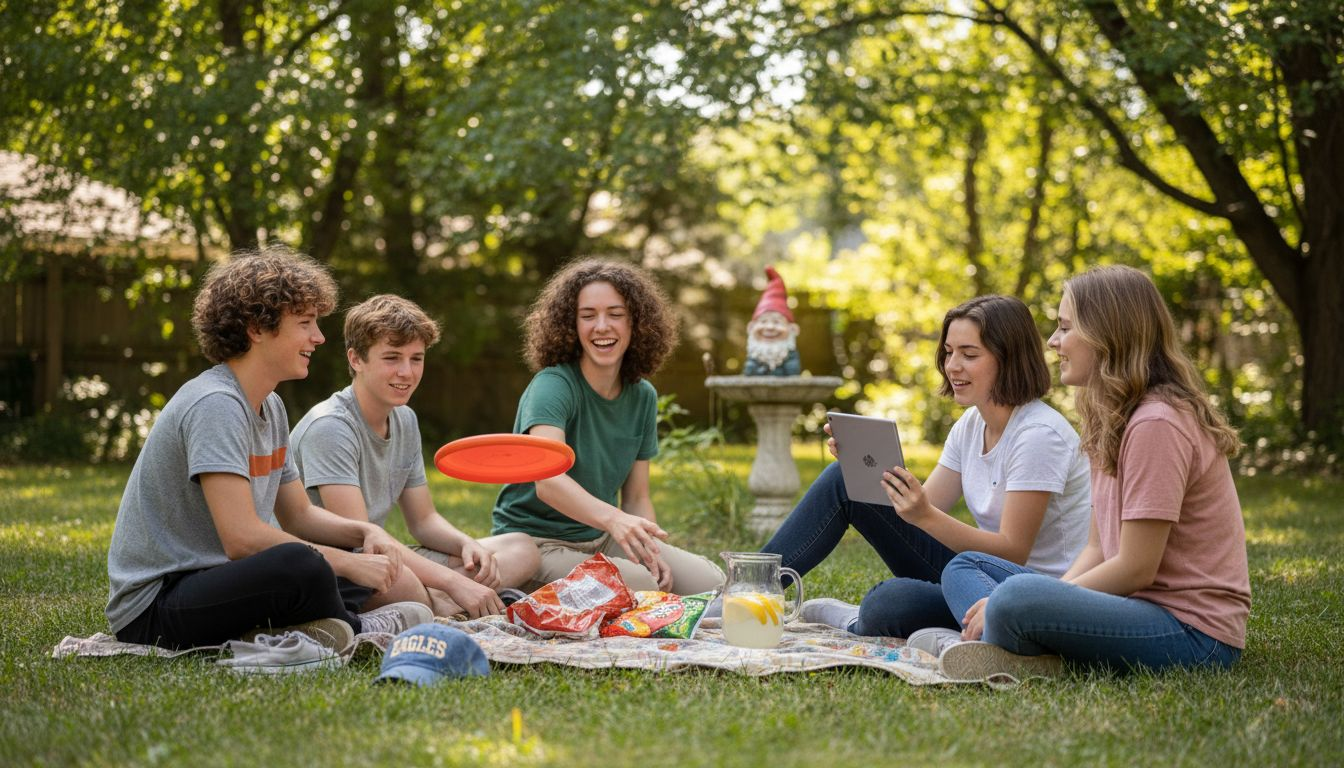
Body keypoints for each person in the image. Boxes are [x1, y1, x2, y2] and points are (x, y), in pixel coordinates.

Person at [105, 247, 430, 651]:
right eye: (306, 323)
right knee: (303, 563)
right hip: (157, 607)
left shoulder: (270, 404)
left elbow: (298, 514)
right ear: (257, 328)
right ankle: (356, 628)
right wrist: (348, 563)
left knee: (325, 554)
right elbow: (241, 538)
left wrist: (363, 532)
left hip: (220, 582)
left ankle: (316, 626)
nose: (318, 337)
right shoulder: (216, 404)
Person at [933, 266, 1250, 679]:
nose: (1053, 341)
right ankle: (1015, 645)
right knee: (965, 568)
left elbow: (1137, 567)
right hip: (1132, 606)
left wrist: (1038, 599)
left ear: (1106, 335)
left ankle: (1004, 639)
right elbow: (1098, 549)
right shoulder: (1112, 416)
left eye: (1065, 327)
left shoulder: (1158, 422)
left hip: (1192, 632)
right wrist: (1052, 598)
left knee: (1014, 599)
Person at [764, 295, 1091, 638]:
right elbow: (922, 509)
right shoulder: (971, 425)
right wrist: (862, 466)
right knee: (842, 479)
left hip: (1024, 594)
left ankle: (853, 619)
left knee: (888, 602)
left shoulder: (1038, 434)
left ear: (1008, 358)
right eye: (949, 352)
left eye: (969, 354)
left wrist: (924, 514)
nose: (952, 366)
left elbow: (1013, 550)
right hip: (972, 574)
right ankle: (748, 588)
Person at [290, 294, 540, 618]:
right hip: (343, 570)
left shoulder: (404, 418)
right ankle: (444, 600)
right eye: (392, 357)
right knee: (405, 585)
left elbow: (423, 520)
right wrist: (453, 581)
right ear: (356, 359)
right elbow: (360, 541)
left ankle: (441, 602)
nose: (406, 372)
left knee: (521, 548)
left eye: (416, 358)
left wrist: (464, 544)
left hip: (387, 560)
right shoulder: (330, 427)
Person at [491, 258, 724, 594]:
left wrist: (648, 549)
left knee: (711, 584)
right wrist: (615, 521)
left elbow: (636, 498)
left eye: (615, 314)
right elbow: (549, 483)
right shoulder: (553, 385)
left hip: (599, 537)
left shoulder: (642, 395)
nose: (602, 326)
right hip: (534, 543)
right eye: (588, 316)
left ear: (636, 323)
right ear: (572, 326)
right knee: (641, 586)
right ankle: (517, 591)